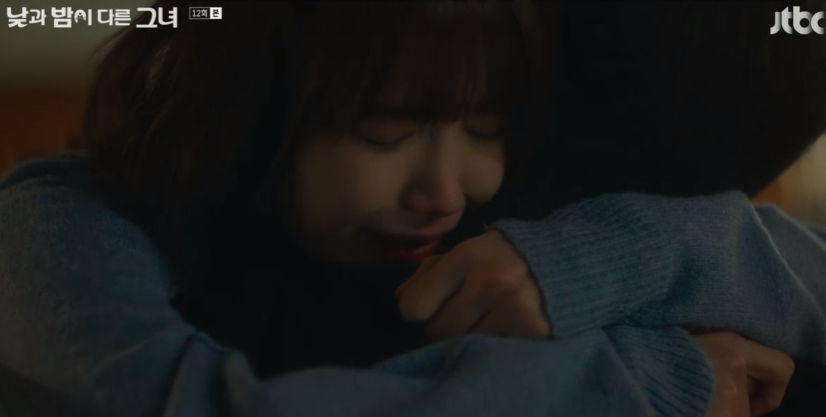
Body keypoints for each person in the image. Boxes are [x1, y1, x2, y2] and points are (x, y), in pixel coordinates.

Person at [0, 1, 824, 417]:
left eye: (487, 130)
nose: (446, 194)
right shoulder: (66, 221)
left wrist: (612, 254)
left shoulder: (487, 227)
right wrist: (646, 381)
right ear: (248, 109)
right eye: (384, 134)